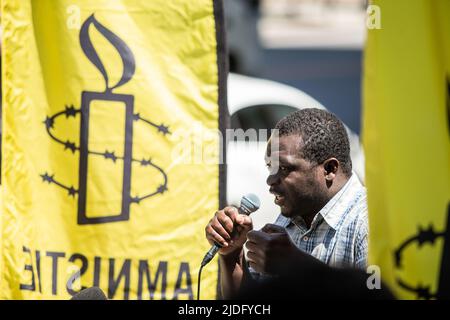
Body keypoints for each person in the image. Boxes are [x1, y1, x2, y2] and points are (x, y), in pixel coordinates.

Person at [205, 108, 369, 298]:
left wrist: (298, 267)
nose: (270, 180)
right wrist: (232, 255)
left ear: (329, 169)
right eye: (270, 167)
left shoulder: (368, 221)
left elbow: (375, 294)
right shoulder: (286, 220)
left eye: (284, 168)